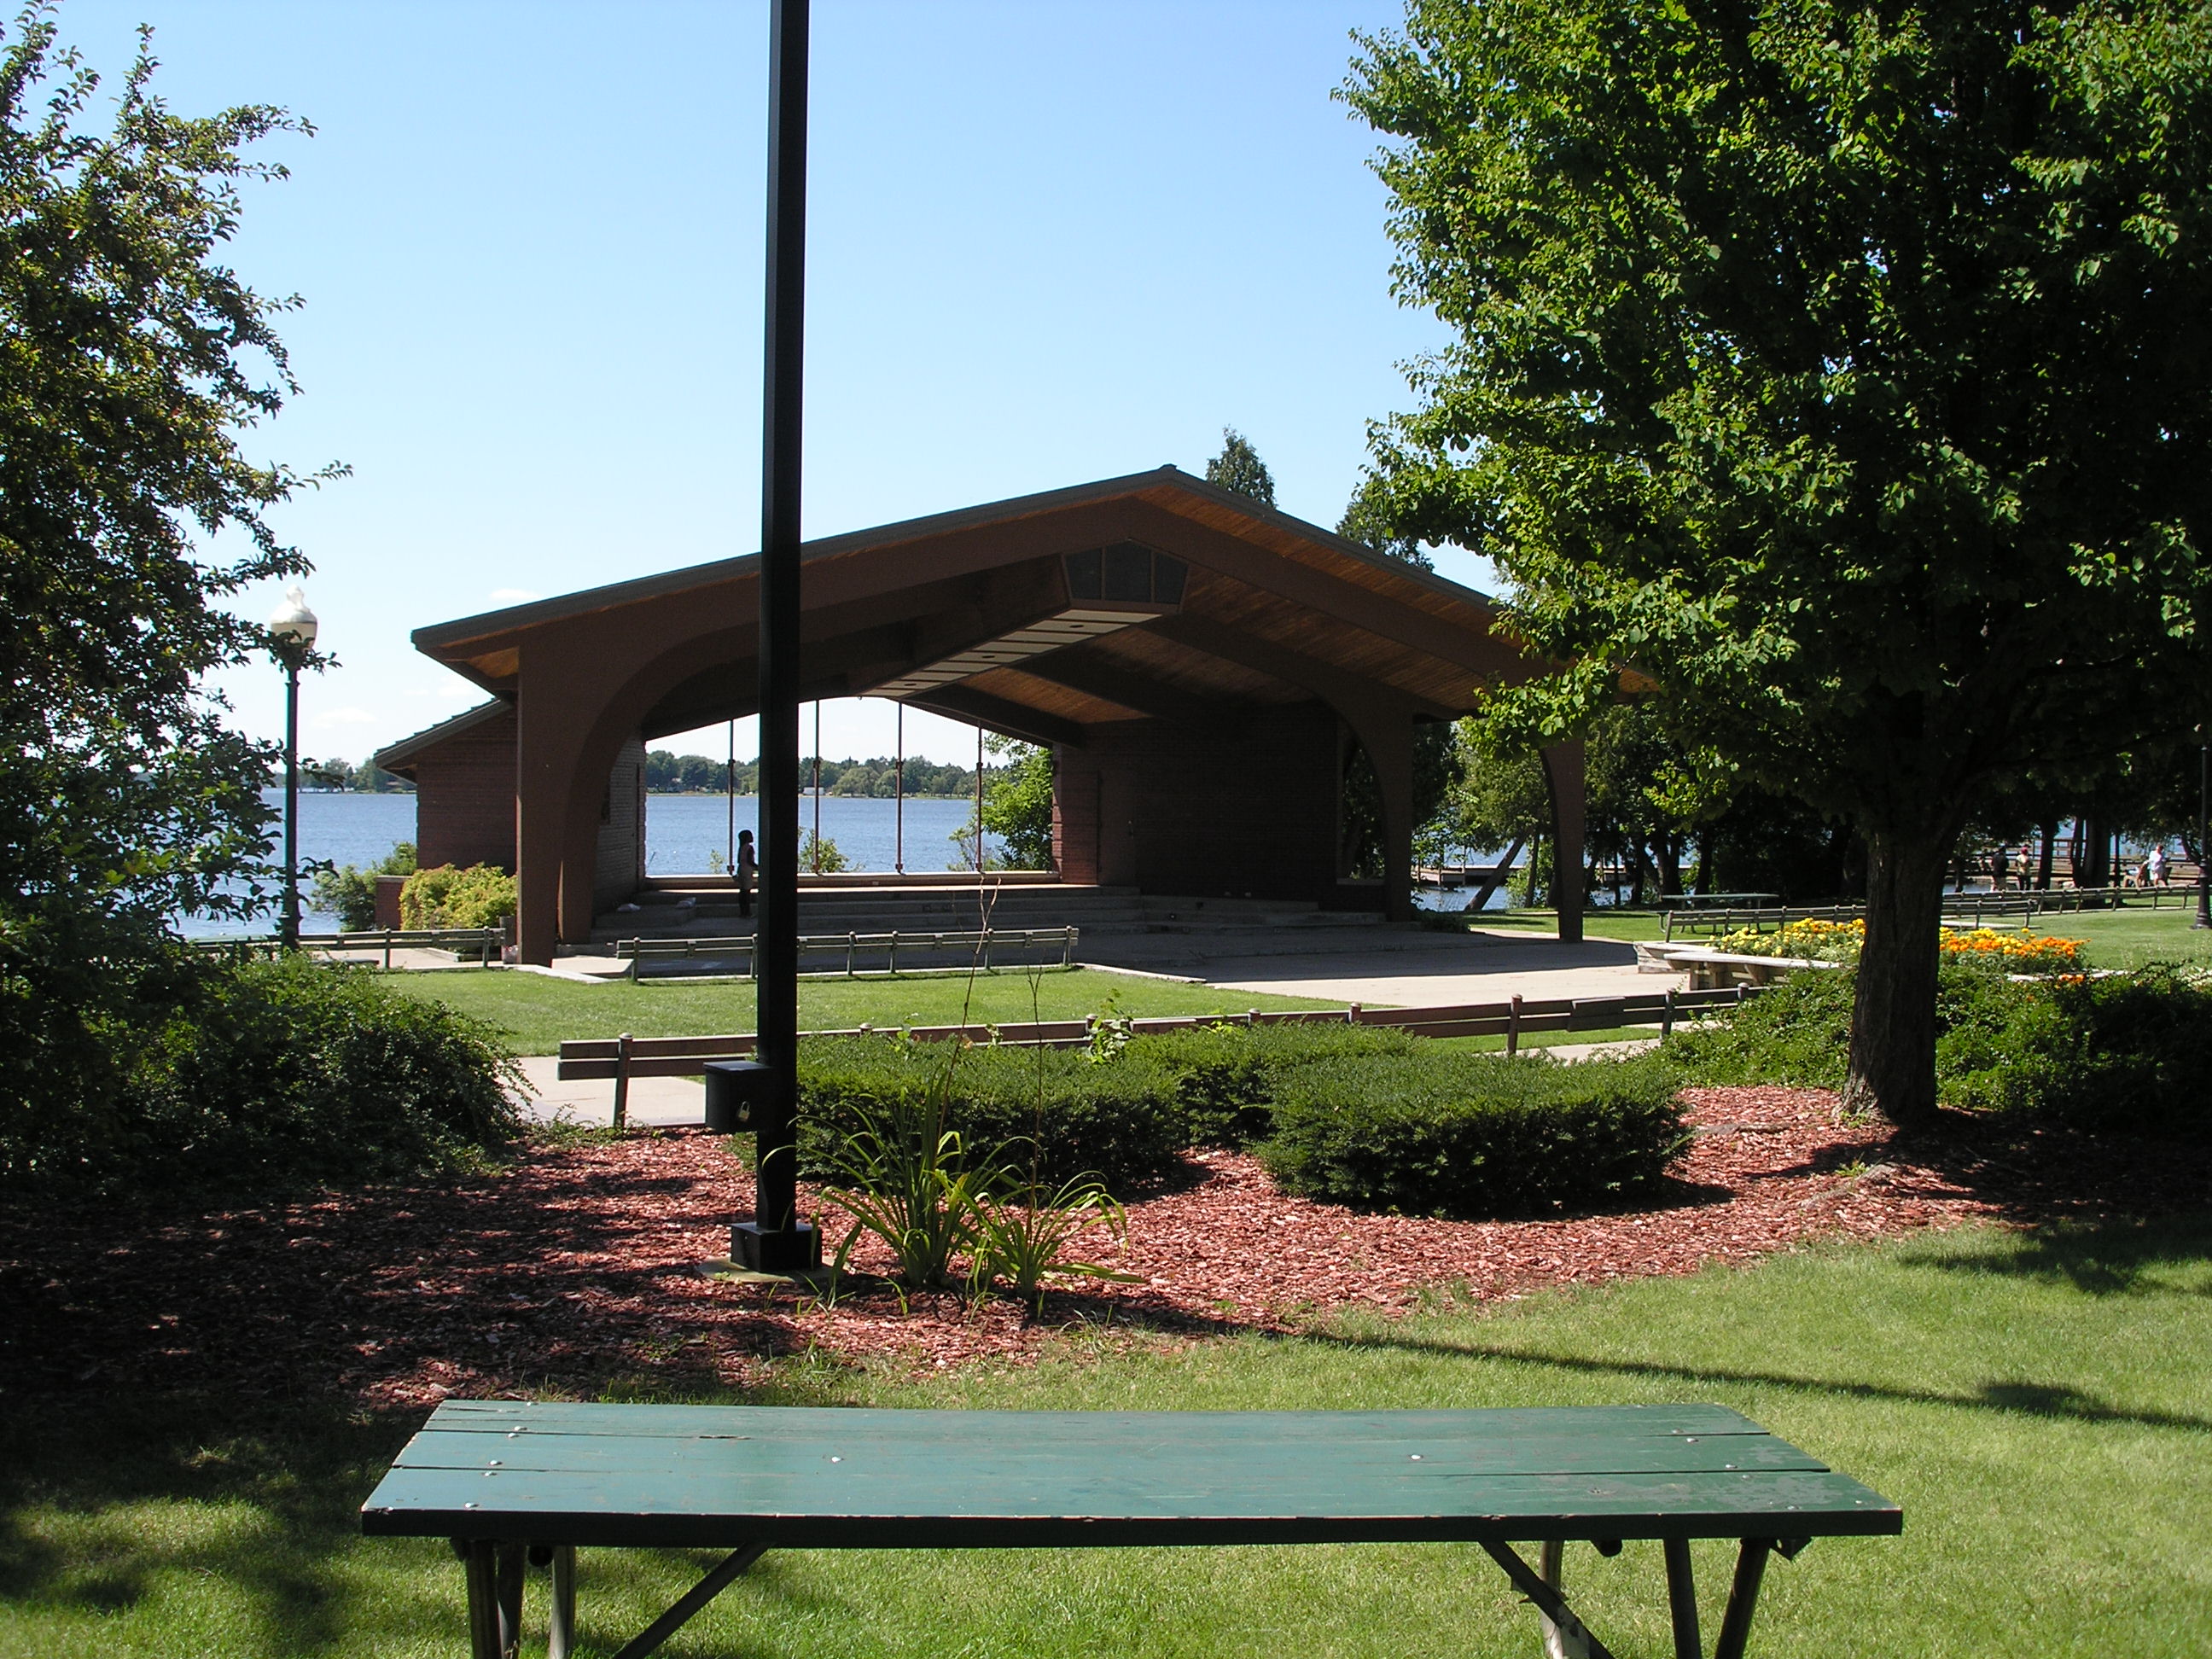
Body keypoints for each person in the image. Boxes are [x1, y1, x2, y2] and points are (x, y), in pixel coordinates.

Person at [734, 828, 756, 919]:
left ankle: (743, 912)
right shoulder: (749, 848)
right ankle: (747, 913)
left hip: (741, 869)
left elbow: (740, 860)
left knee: (743, 891)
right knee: (747, 893)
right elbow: (749, 861)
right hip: (747, 870)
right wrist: (758, 867)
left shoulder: (741, 847)